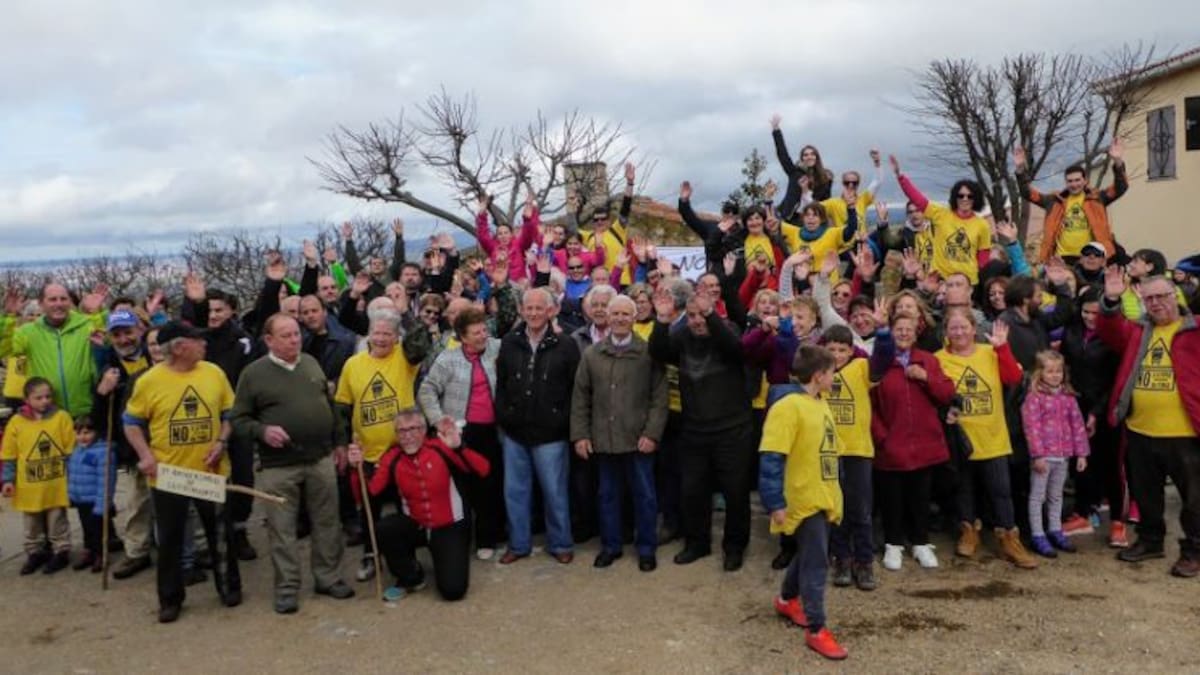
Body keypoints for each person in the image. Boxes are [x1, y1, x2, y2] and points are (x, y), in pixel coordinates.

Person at [231, 314, 355, 614]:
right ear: (269, 340)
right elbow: (238, 419)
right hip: (278, 466)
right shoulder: (253, 374)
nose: (294, 340)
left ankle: (328, 577)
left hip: (320, 458)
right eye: (286, 335)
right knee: (282, 528)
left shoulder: (311, 363)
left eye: (296, 334)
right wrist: (262, 431)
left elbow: (330, 405)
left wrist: (339, 442)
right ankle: (287, 587)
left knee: (327, 521)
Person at [122, 321, 241, 623]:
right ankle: (170, 598)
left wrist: (222, 441)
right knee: (171, 538)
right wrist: (146, 457)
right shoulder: (149, 381)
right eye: (197, 340)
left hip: (210, 471)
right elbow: (131, 422)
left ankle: (228, 587)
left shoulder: (213, 373)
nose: (204, 344)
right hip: (168, 475)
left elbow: (230, 414)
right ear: (179, 347)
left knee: (220, 534)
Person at [1099, 269, 1200, 577]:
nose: (1155, 304)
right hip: (1141, 430)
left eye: (1161, 296)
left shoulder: (1194, 330)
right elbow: (1110, 330)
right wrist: (1112, 299)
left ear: (1176, 296)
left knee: (1195, 499)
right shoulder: (1139, 332)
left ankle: (1194, 551)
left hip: (1186, 434)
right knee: (1146, 495)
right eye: (1149, 298)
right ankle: (1151, 540)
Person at [650, 288, 753, 571]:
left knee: (735, 492)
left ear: (714, 312)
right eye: (692, 315)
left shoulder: (727, 331)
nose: (697, 321)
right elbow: (659, 351)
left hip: (732, 429)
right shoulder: (682, 337)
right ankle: (697, 543)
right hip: (695, 430)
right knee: (693, 491)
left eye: (702, 315)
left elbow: (734, 349)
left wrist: (711, 315)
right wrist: (661, 320)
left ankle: (734, 547)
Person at [759, 345, 848, 661]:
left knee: (812, 552)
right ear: (819, 375)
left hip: (821, 495)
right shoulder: (788, 407)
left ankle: (786, 600)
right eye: (832, 372)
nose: (834, 377)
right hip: (803, 497)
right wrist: (774, 501)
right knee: (816, 562)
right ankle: (817, 627)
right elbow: (772, 455)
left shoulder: (820, 404)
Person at [571, 295, 669, 571]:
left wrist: (652, 434)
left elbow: (659, 398)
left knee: (646, 497)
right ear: (606, 317)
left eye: (626, 314)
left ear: (635, 317)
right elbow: (581, 397)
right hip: (604, 439)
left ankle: (647, 548)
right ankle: (610, 546)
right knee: (607, 496)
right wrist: (580, 435)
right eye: (615, 314)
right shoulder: (592, 354)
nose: (620, 319)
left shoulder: (648, 353)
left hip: (639, 440)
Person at [352, 409, 490, 602]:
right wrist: (357, 468)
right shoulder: (392, 457)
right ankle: (411, 576)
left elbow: (483, 469)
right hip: (416, 524)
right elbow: (370, 493)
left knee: (453, 590)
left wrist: (460, 447)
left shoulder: (440, 448)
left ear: (424, 430)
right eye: (401, 431)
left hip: (449, 526)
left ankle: (445, 557)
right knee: (385, 528)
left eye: (413, 429)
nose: (407, 436)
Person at [936, 309, 1037, 569]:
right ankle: (969, 532)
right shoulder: (938, 359)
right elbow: (936, 394)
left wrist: (1003, 349)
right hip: (962, 439)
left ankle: (1009, 539)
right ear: (945, 332)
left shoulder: (990, 352)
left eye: (963, 327)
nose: (958, 332)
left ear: (973, 328)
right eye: (953, 328)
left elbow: (1013, 378)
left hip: (993, 436)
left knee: (1001, 491)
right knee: (964, 489)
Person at [334, 311, 424, 581]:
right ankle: (371, 555)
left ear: (397, 337)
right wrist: (342, 443)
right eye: (377, 333)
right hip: (368, 454)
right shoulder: (353, 364)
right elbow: (341, 408)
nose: (382, 338)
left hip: (402, 452)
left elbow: (420, 343)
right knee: (369, 510)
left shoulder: (405, 358)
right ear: (369, 335)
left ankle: (406, 557)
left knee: (404, 508)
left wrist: (406, 312)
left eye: (388, 334)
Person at [494, 287, 580, 565]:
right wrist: (505, 415)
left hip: (551, 434)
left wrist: (562, 420)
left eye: (538, 308)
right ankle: (518, 545)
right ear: (521, 310)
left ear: (551, 311)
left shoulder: (565, 344)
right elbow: (503, 384)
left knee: (554, 492)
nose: (532, 313)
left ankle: (561, 543)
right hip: (515, 433)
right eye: (528, 308)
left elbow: (575, 389)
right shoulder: (509, 342)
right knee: (515, 492)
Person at [417, 307, 505, 561]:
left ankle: (488, 538)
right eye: (476, 333)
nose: (483, 336)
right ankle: (462, 540)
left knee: (489, 485)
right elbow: (427, 390)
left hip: (492, 430)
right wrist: (438, 420)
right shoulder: (447, 359)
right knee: (464, 487)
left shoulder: (496, 348)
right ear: (462, 337)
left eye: (484, 330)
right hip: (461, 433)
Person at [871, 311, 956, 571]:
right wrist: (881, 436)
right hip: (891, 443)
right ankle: (893, 544)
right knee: (891, 499)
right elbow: (869, 405)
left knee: (920, 496)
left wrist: (926, 378)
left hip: (924, 443)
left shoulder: (928, 360)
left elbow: (947, 393)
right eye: (899, 329)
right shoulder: (880, 363)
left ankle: (921, 543)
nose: (904, 333)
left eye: (909, 329)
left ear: (917, 333)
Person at [822, 321, 893, 589]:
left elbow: (884, 360)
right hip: (829, 451)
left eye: (842, 349)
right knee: (836, 510)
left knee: (860, 509)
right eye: (831, 349)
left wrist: (883, 332)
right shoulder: (820, 373)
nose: (837, 355)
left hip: (858, 451)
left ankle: (864, 562)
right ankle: (842, 557)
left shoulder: (861, 369)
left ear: (852, 351)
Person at [1060, 288, 1127, 545]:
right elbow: (1066, 366)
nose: (1090, 317)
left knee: (1111, 465)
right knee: (1081, 464)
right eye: (1086, 312)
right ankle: (1084, 513)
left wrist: (1097, 412)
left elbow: (1116, 379)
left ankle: (1118, 522)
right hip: (1077, 406)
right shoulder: (1072, 332)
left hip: (1106, 407)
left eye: (1095, 313)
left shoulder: (1113, 338)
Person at [1, 377, 76, 575]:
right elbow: (9, 454)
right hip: (29, 486)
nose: (44, 401)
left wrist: (73, 477)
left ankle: (61, 551)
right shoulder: (16, 423)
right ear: (27, 399)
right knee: (31, 524)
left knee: (57, 521)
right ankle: (35, 553)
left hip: (56, 483)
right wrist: (8, 480)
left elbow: (70, 451)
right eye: (38, 398)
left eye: (48, 396)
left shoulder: (61, 418)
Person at [1021, 350, 1090, 558]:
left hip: (1063, 456)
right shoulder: (1034, 398)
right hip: (1044, 458)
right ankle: (1037, 534)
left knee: (1056, 495)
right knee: (1037, 496)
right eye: (1050, 371)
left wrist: (1081, 454)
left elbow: (1077, 425)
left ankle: (1055, 529)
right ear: (1040, 372)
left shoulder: (1068, 397)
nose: (1055, 375)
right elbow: (1031, 428)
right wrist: (1038, 455)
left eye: (1058, 371)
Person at [1014, 138, 1126, 264]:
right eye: (1070, 181)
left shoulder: (1098, 198)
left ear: (1085, 180)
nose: (1074, 184)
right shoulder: (1054, 201)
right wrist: (1020, 169)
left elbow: (1120, 187)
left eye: (1077, 180)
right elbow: (1028, 194)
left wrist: (1117, 161)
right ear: (1066, 182)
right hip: (1061, 259)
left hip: (1090, 258)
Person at [110, 324, 163, 580]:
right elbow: (127, 419)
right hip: (142, 453)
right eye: (152, 343)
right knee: (138, 504)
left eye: (161, 342)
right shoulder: (138, 379)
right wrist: (136, 453)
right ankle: (136, 551)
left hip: (175, 454)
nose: (157, 348)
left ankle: (191, 551)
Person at [890, 155, 992, 285]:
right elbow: (918, 199)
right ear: (955, 197)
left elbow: (984, 255)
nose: (965, 199)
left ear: (975, 198)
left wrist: (981, 276)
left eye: (969, 196)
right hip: (940, 280)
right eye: (961, 195)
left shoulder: (982, 224)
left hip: (969, 281)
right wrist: (900, 176)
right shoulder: (941, 214)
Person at [5, 283, 102, 416]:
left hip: (85, 414)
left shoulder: (86, 325)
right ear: (41, 304)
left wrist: (94, 314)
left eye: (63, 299)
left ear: (70, 302)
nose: (59, 304)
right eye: (52, 299)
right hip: (47, 414)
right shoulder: (27, 332)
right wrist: (10, 317)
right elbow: (5, 349)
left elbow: (108, 341)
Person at [66, 414, 115, 573]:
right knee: (86, 528)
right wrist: (72, 494)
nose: (83, 437)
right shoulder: (77, 451)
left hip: (96, 500)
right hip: (82, 499)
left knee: (98, 530)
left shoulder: (103, 452)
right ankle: (89, 552)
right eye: (79, 433)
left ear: (97, 433)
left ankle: (100, 554)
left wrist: (103, 505)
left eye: (87, 432)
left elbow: (106, 481)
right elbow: (73, 474)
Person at [769, 115, 834, 220]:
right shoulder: (795, 172)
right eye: (806, 155)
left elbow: (826, 202)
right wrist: (776, 130)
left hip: (811, 219)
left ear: (817, 157)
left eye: (812, 154)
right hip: (790, 217)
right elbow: (783, 154)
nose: (809, 157)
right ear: (802, 158)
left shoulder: (826, 178)